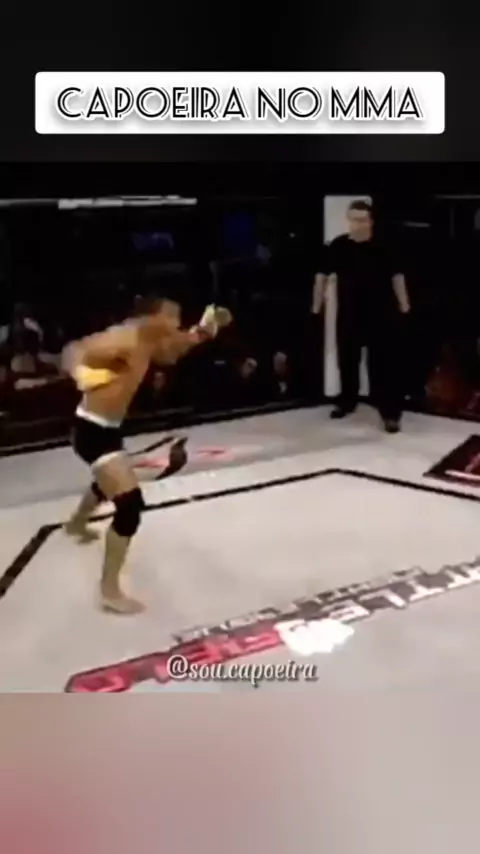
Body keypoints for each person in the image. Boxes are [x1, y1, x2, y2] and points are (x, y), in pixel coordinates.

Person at [62, 297, 232, 615]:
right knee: (129, 505)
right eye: (171, 317)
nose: (176, 323)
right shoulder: (122, 337)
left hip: (110, 427)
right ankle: (109, 591)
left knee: (109, 480)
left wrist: (206, 328)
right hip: (91, 431)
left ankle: (76, 524)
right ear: (152, 316)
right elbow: (73, 351)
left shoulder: (150, 338)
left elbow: (174, 350)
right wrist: (83, 373)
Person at [312, 200, 410, 433]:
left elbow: (397, 276)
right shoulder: (338, 245)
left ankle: (389, 412)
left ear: (370, 221)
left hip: (381, 313)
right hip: (349, 313)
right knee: (347, 360)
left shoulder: (384, 246)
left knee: (382, 363)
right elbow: (321, 276)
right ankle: (347, 400)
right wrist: (316, 306)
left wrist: (405, 304)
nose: (357, 224)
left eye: (362, 219)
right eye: (353, 219)